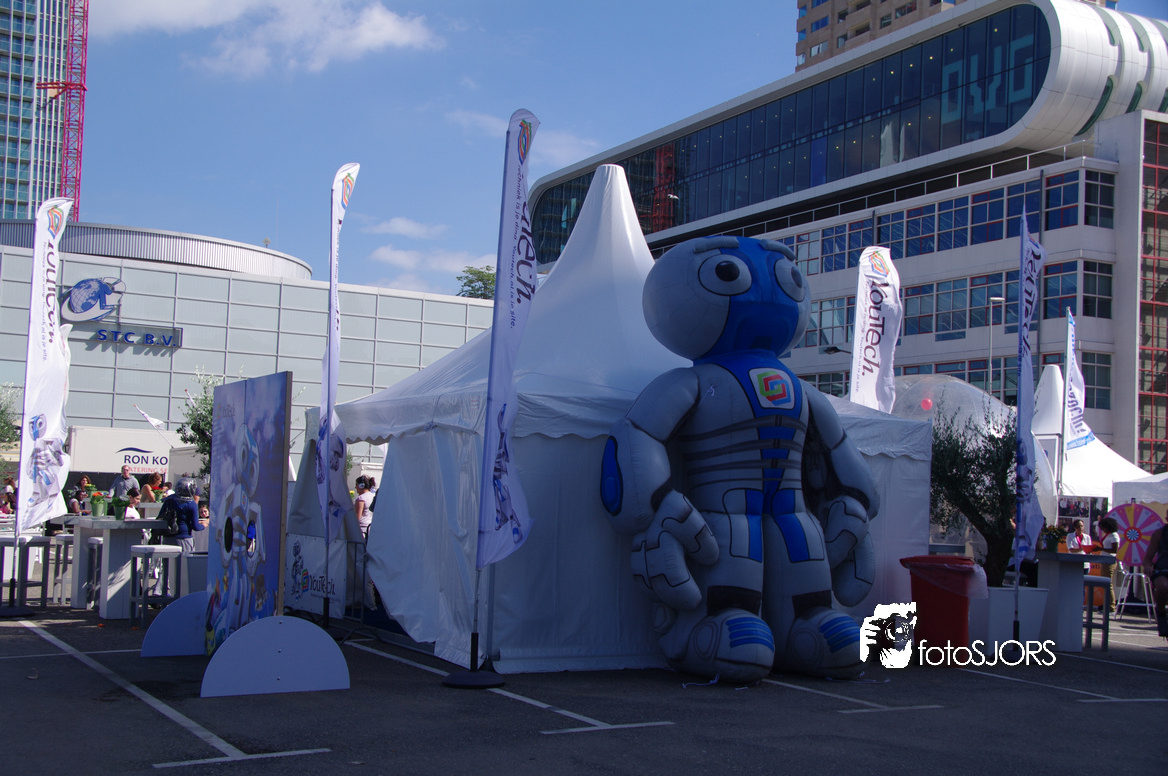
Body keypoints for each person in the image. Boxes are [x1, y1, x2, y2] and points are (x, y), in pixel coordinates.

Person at [159, 477, 205, 554]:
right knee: (185, 561)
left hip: (168, 538)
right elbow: (196, 526)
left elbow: (160, 517)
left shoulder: (169, 501)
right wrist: (204, 525)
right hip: (184, 538)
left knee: (167, 561)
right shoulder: (191, 504)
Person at [1142, 524, 1168, 639]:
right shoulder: (1160, 533)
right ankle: (1161, 612)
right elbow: (1148, 558)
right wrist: (1148, 567)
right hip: (1163, 570)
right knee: (1162, 586)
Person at [1096, 515, 1121, 614]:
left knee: (1107, 584)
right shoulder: (1109, 535)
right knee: (1105, 584)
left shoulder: (1114, 536)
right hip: (1105, 560)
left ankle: (1111, 607)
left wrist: (1101, 549)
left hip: (1109, 561)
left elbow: (1115, 550)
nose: (1102, 529)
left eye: (1103, 527)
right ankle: (1107, 605)